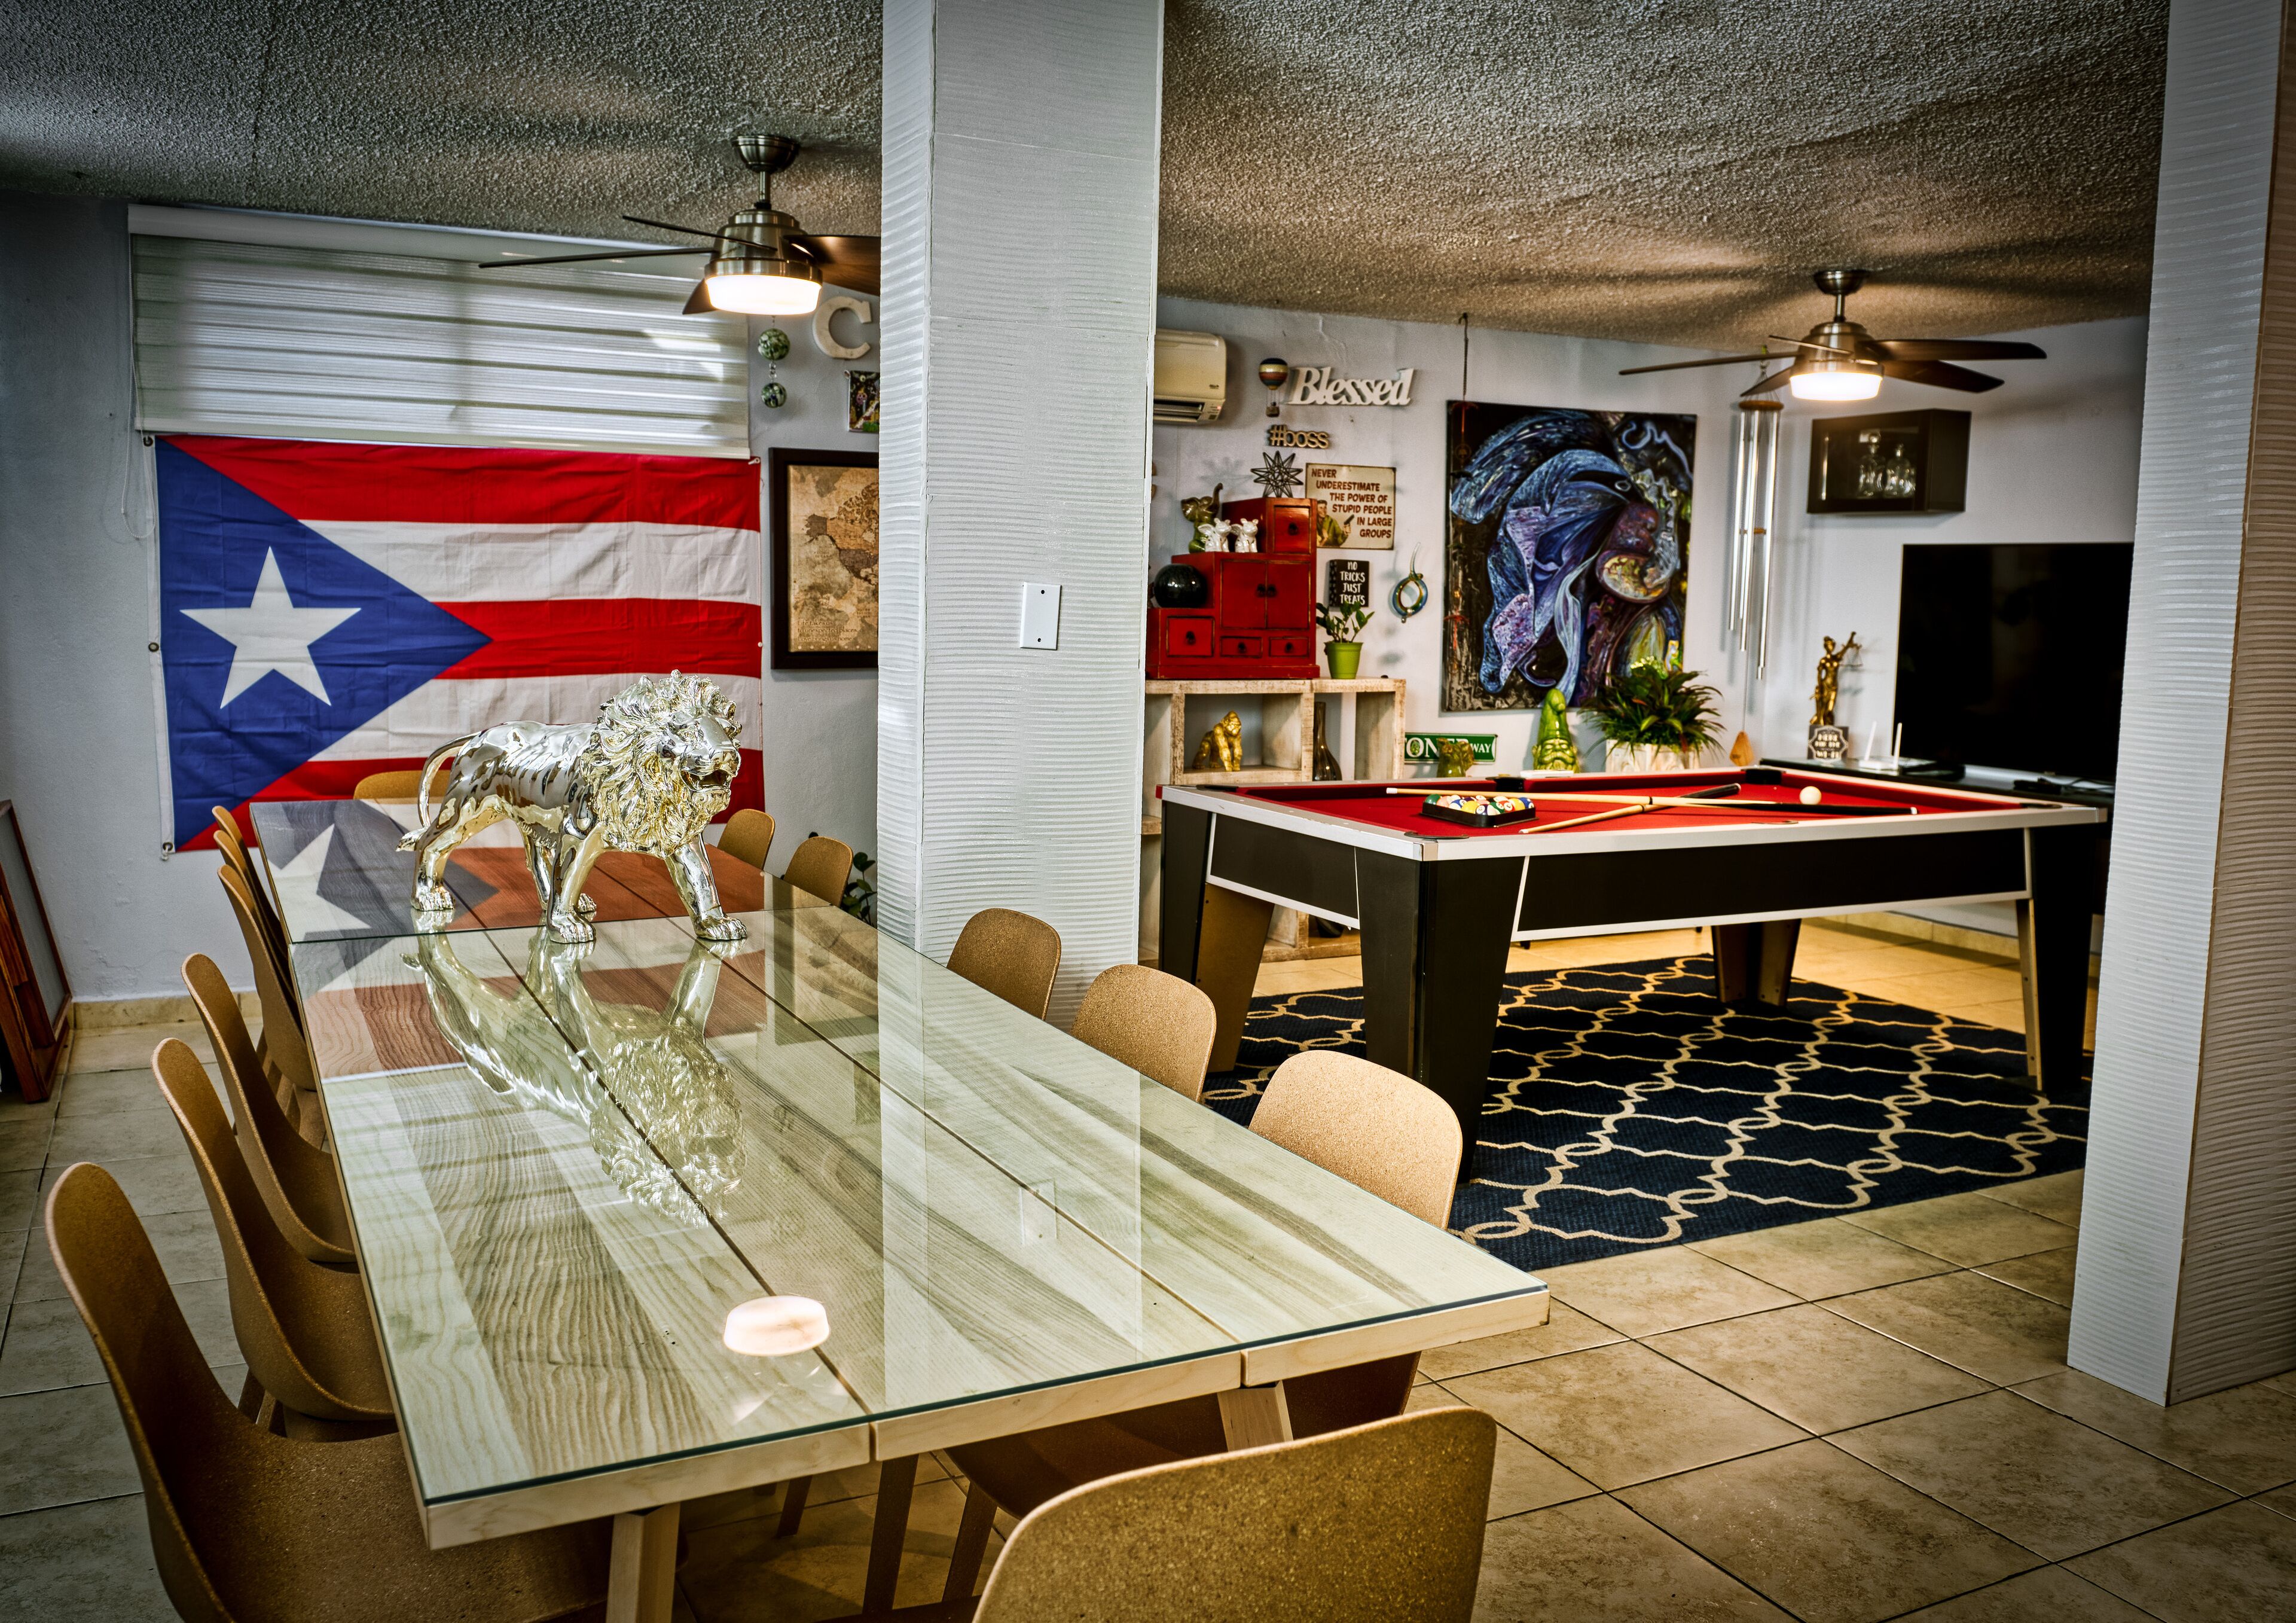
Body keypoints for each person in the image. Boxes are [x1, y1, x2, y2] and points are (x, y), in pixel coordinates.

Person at [1811, 631, 1861, 728]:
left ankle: (1829, 728)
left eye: (1832, 645)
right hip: (1825, 685)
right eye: (1829, 646)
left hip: (1834, 686)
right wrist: (1820, 688)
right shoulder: (1824, 660)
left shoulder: (1836, 658)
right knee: (1823, 709)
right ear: (1826, 647)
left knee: (1830, 710)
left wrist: (1851, 638)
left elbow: (1845, 649)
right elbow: (1819, 675)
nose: (1831, 647)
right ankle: (1822, 727)